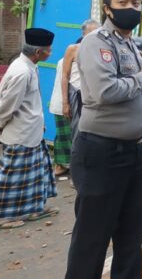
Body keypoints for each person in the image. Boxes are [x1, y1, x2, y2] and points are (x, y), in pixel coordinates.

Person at [65, 0, 142, 279]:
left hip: (137, 154)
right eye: (123, 3)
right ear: (108, 8)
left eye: (136, 3)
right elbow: (105, 92)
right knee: (92, 238)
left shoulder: (131, 44)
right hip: (103, 153)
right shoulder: (95, 44)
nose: (131, 8)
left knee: (131, 237)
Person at [0, 28, 58, 230]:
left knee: (34, 174)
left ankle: (33, 208)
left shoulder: (30, 66)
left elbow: (29, 100)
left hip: (31, 129)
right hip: (20, 132)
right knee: (11, 178)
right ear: (37, 52)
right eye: (48, 50)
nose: (50, 53)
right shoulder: (21, 71)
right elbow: (8, 103)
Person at [52, 19, 100, 177]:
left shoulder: (100, 50)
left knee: (92, 134)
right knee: (76, 134)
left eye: (96, 33)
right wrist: (65, 103)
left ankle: (87, 169)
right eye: (90, 33)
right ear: (83, 34)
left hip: (92, 98)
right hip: (76, 96)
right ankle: (76, 173)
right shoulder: (73, 49)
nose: (93, 36)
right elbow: (64, 77)